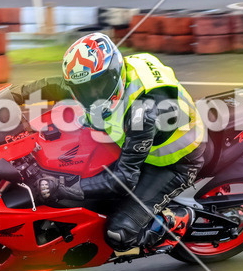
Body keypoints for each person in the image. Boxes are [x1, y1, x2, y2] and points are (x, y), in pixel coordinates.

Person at [12, 32, 206, 255]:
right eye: (84, 89)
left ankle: (175, 221)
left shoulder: (143, 112)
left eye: (99, 85)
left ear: (115, 73)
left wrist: (63, 188)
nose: (93, 94)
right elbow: (55, 86)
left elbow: (125, 178)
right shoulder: (102, 74)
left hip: (173, 163)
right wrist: (12, 95)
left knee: (119, 234)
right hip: (133, 144)